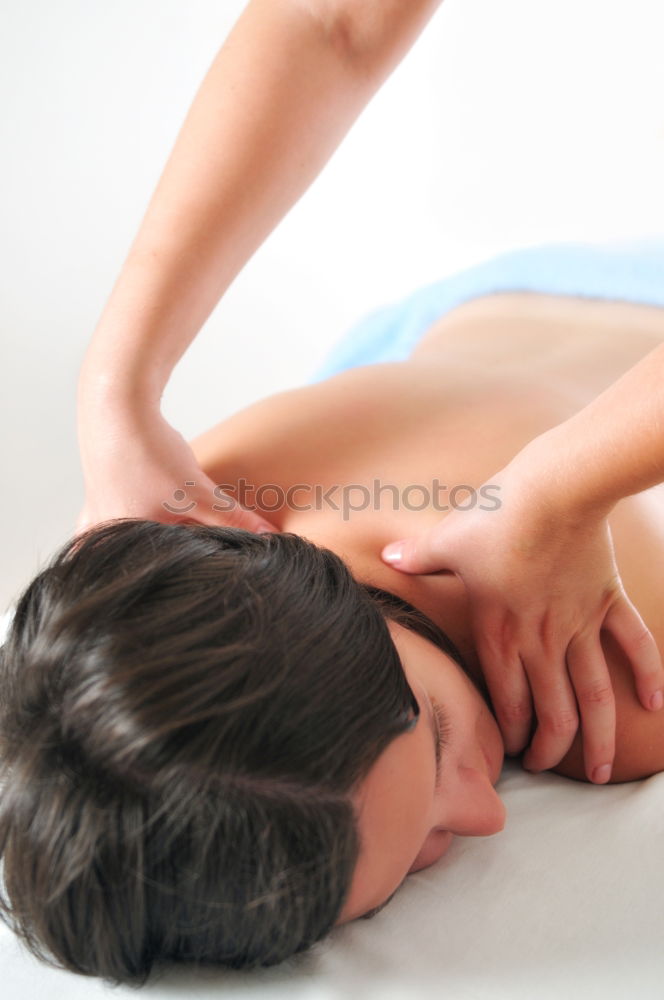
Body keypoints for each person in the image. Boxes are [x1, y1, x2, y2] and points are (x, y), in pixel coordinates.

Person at [1, 0, 664, 984]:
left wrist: (563, 492)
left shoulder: (603, 682)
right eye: (415, 861)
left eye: (437, 742)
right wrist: (118, 388)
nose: (485, 813)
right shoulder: (168, 573)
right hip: (461, 322)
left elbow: (335, 16)